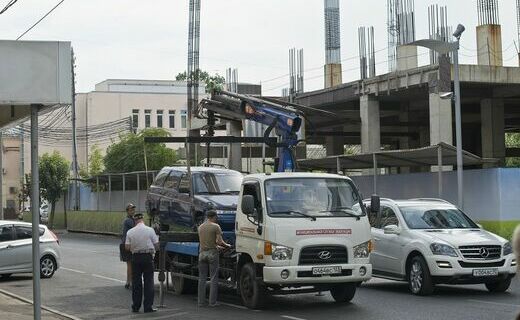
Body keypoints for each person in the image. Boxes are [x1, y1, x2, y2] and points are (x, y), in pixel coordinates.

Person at [125, 212, 159, 313]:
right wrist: (153, 250)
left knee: (136, 283)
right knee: (148, 282)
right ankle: (148, 307)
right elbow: (156, 245)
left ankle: (136, 306)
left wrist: (134, 248)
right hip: (147, 257)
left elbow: (127, 247)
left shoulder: (130, 232)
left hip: (135, 257)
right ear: (142, 219)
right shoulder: (150, 230)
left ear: (135, 221)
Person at [197, 209, 231, 307]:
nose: (217, 219)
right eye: (216, 217)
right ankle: (212, 302)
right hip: (212, 254)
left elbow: (206, 242)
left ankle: (201, 302)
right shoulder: (216, 227)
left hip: (202, 254)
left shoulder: (200, 227)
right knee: (213, 278)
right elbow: (219, 242)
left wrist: (217, 246)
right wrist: (227, 245)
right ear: (214, 217)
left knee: (202, 278)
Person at [120, 203, 136, 289]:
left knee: (131, 264)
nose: (133, 211)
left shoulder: (132, 219)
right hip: (126, 245)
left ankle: (129, 281)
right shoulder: (128, 221)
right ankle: (129, 282)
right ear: (127, 211)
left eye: (133, 209)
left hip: (128, 244)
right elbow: (137, 228)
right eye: (131, 210)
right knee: (130, 264)